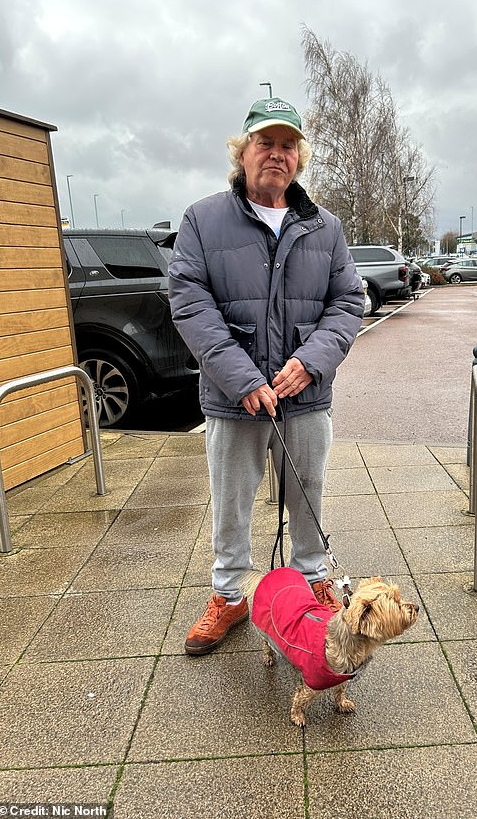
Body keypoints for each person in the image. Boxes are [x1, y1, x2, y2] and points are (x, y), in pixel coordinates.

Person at [168, 97, 365, 654]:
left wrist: (312, 361)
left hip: (306, 396)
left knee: (309, 496)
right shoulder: (202, 220)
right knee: (231, 500)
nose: (276, 155)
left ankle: (310, 580)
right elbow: (188, 301)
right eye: (265, 143)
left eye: (287, 146)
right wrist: (242, 378)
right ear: (243, 151)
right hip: (235, 401)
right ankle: (230, 594)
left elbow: (349, 300)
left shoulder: (325, 227)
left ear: (298, 158)